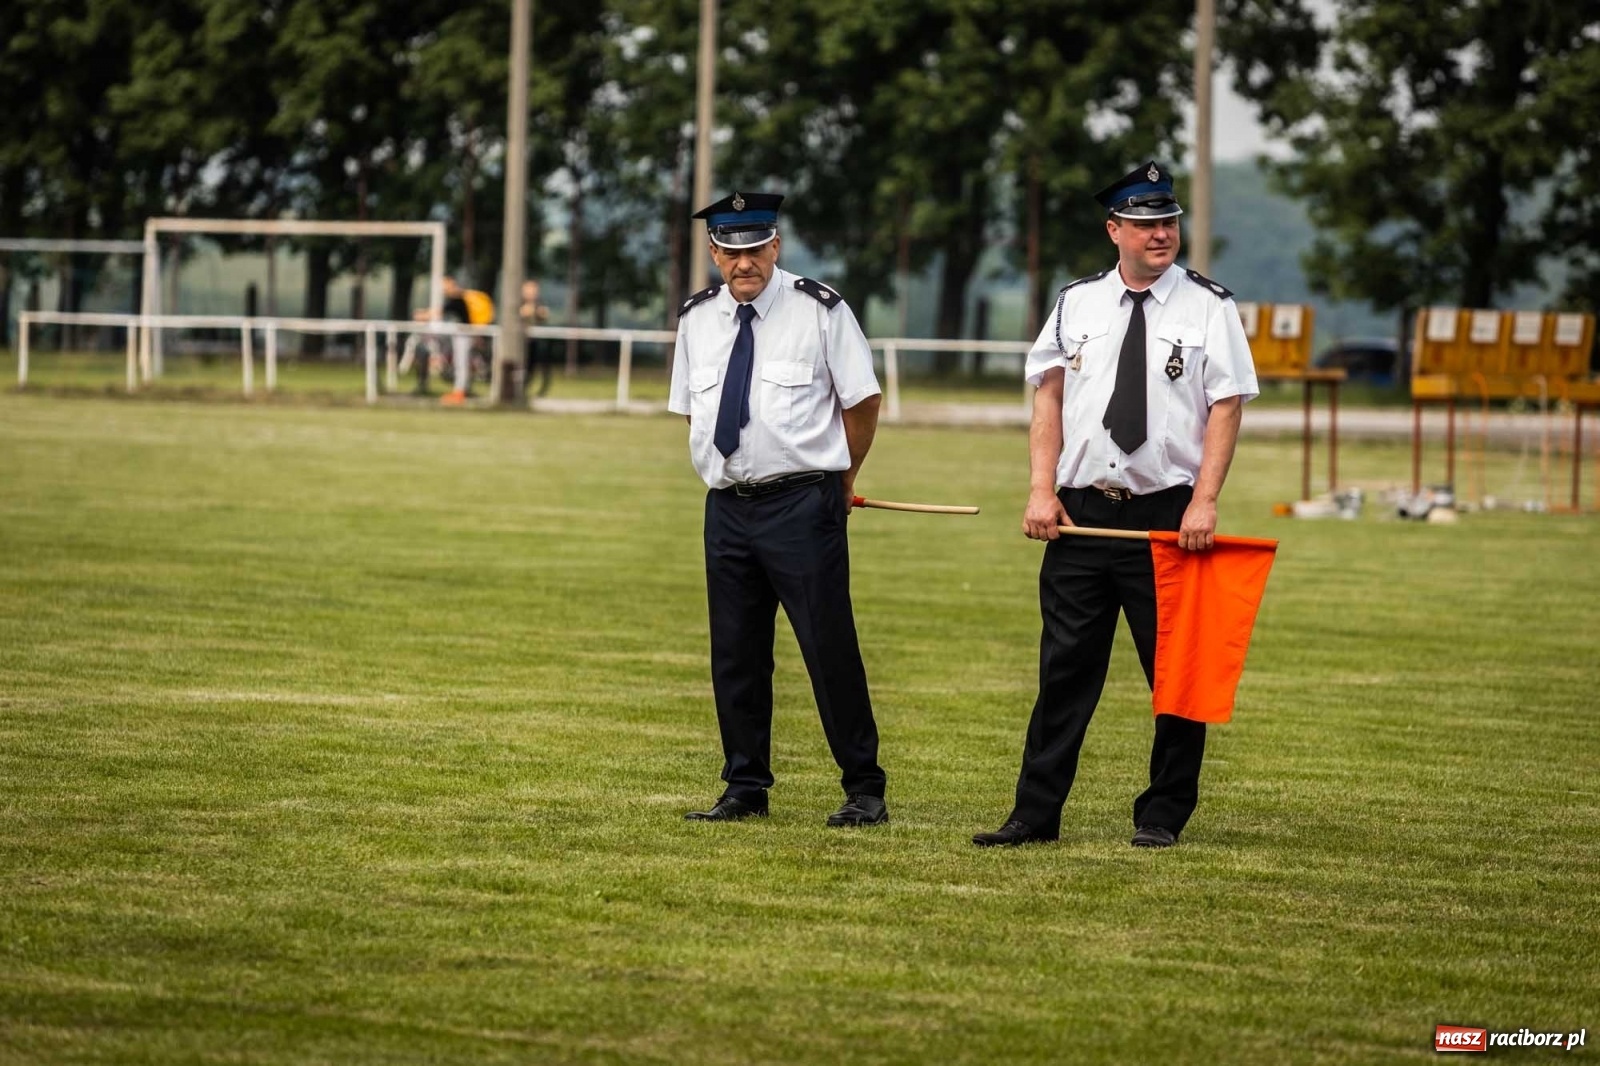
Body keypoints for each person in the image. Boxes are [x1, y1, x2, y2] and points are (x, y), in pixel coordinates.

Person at [972, 162, 1259, 850]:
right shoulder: (1076, 304)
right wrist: (1042, 489)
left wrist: (1206, 502)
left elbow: (1226, 407)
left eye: (1169, 222)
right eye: (1146, 223)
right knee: (1063, 673)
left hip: (1167, 514)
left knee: (1173, 674)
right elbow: (1047, 396)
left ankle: (1162, 813)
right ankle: (1034, 816)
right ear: (1114, 230)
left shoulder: (1210, 306)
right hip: (1079, 514)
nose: (1161, 234)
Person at [668, 191, 889, 828]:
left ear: (776, 246)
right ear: (714, 254)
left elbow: (863, 402)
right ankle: (745, 786)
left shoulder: (820, 310)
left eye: (756, 250)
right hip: (727, 508)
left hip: (803, 504)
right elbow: (695, 409)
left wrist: (843, 480)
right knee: (735, 653)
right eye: (731, 252)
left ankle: (864, 788)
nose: (745, 264)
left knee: (828, 648)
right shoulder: (697, 318)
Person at [519, 279, 554, 397]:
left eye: (534, 290)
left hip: (537, 341)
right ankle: (522, 389)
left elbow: (545, 315)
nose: (532, 292)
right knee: (525, 366)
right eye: (529, 289)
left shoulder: (540, 303)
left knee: (543, 366)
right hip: (523, 341)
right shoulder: (517, 302)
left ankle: (542, 391)